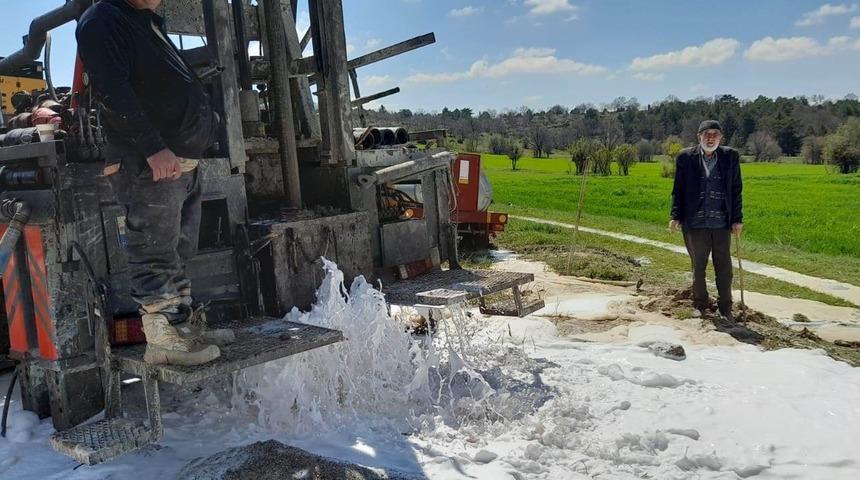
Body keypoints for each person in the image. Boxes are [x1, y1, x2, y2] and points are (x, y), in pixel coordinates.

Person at [76, 0, 232, 365]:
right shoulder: (103, 19)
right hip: (147, 163)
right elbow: (113, 90)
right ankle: (162, 342)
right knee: (153, 252)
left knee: (178, 250)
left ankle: (183, 330)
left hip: (179, 161)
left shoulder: (146, 23)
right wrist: (153, 148)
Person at [669, 120, 743, 322]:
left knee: (724, 268)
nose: (711, 138)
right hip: (695, 222)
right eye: (707, 134)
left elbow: (736, 189)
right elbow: (679, 188)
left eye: (715, 134)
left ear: (720, 138)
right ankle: (700, 305)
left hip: (721, 223)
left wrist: (737, 219)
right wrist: (675, 215)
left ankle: (726, 307)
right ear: (698, 136)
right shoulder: (685, 157)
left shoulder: (730, 157)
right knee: (698, 267)